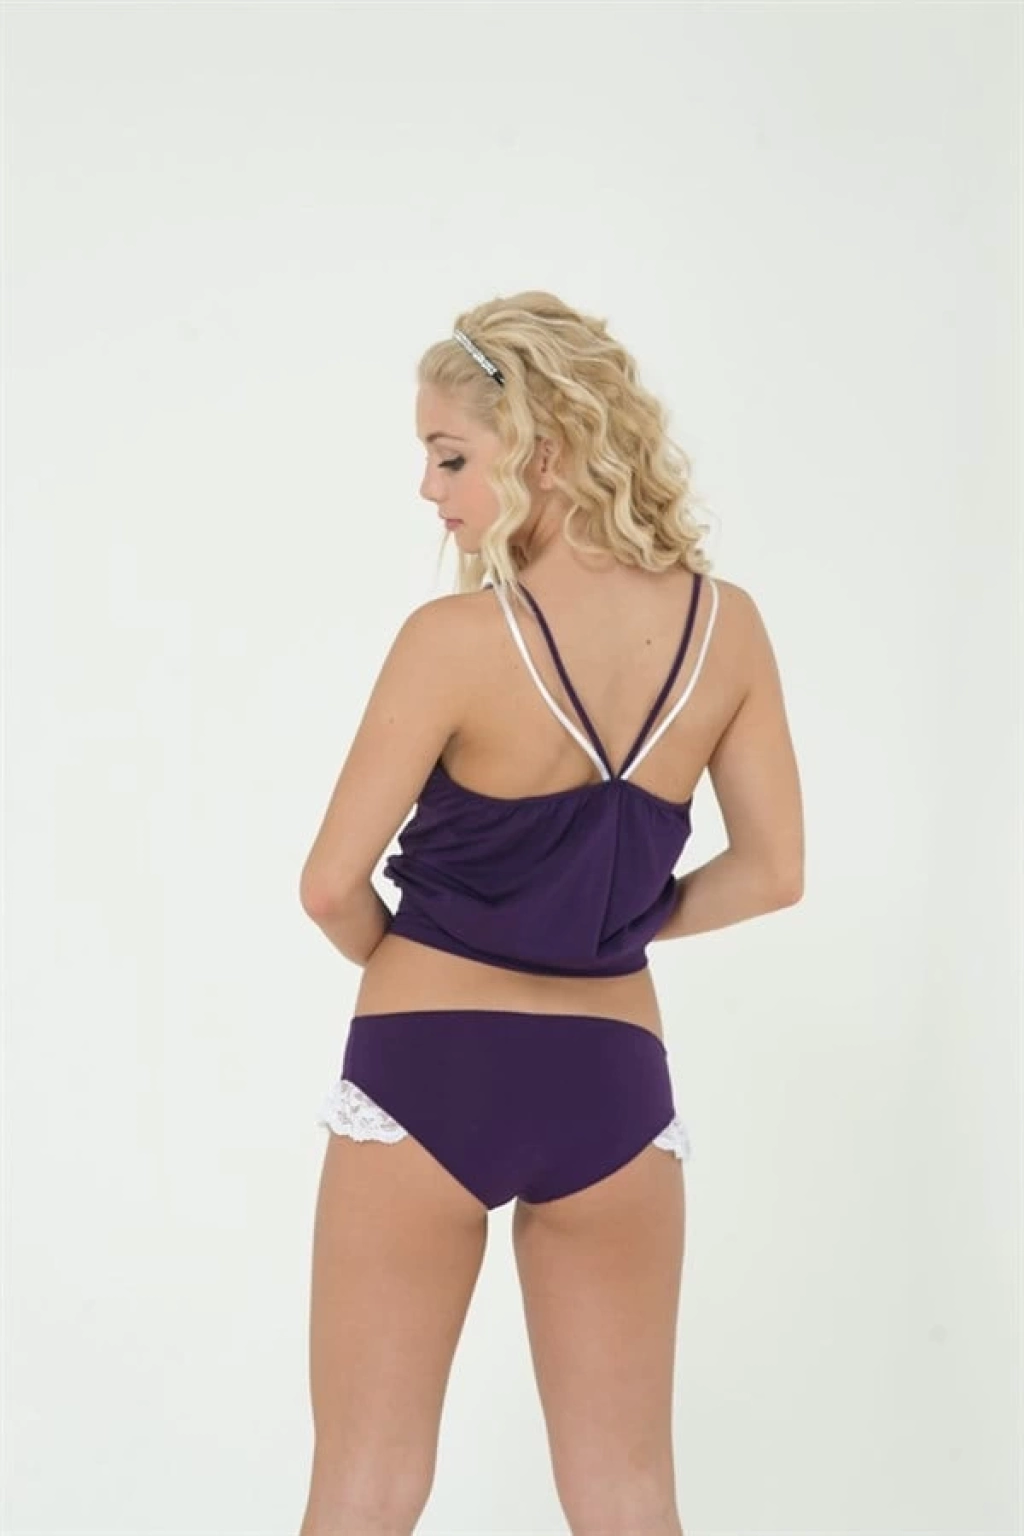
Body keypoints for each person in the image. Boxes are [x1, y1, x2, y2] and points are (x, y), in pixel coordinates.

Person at [296, 291, 805, 1536]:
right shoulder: (725, 629)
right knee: (627, 1497)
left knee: (366, 1484)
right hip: (613, 1084)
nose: (428, 489)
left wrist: (415, 966)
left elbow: (328, 886)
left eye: (449, 456)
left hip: (425, 1071)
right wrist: (608, 920)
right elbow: (773, 872)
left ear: (546, 449)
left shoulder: (452, 639)